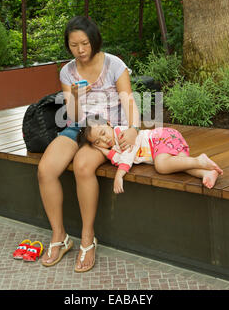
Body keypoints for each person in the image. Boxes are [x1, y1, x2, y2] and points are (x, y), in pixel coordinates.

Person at [37, 16, 140, 272]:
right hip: (79, 127)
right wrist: (74, 97)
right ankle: (59, 238)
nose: (80, 50)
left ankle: (87, 239)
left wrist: (133, 129)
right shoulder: (67, 72)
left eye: (84, 43)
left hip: (107, 129)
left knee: (83, 166)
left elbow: (128, 100)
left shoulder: (114, 64)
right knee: (45, 170)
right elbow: (71, 116)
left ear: (94, 40)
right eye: (74, 45)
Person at [77, 115, 224, 194]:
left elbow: (127, 157)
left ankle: (199, 161)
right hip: (164, 143)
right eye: (98, 142)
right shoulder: (113, 146)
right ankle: (206, 173)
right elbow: (117, 159)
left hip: (161, 138)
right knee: (179, 164)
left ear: (109, 123)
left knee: (161, 165)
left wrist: (119, 176)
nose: (104, 139)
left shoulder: (122, 135)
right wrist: (104, 151)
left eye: (103, 133)